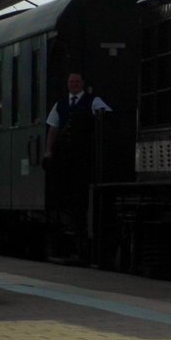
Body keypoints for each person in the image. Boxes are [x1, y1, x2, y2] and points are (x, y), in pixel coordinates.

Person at [44, 73, 111, 245]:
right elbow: (53, 128)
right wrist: (48, 151)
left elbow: (106, 116)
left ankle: (78, 224)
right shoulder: (60, 104)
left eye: (77, 82)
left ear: (82, 84)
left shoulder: (93, 100)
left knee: (79, 189)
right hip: (66, 156)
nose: (74, 84)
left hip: (84, 154)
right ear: (68, 84)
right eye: (71, 82)